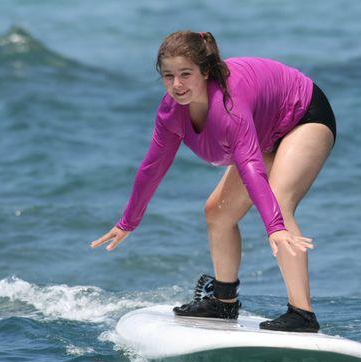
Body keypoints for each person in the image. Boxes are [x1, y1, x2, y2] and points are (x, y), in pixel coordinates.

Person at [90, 30, 336, 333]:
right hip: (265, 129)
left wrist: (274, 227)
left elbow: (250, 166)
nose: (177, 85)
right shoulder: (171, 113)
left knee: (279, 204)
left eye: (185, 74)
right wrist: (128, 221)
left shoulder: (229, 107)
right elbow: (152, 167)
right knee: (217, 212)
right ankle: (223, 303)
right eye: (168, 76)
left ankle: (302, 314)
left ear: (205, 72)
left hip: (303, 115)